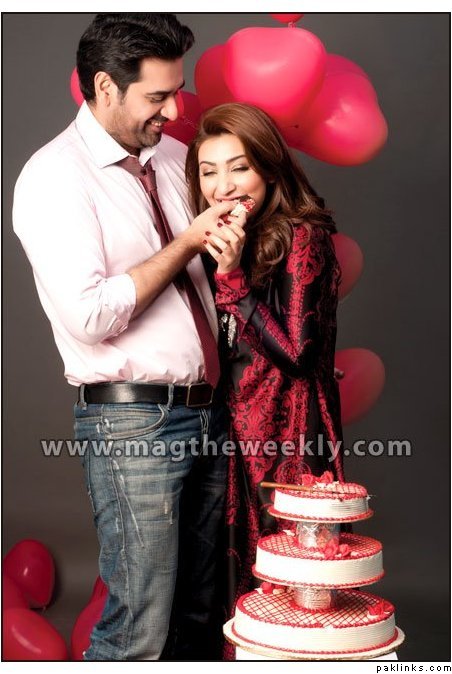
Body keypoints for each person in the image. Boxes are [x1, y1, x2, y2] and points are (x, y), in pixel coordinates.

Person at [13, 14, 237, 661]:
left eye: (178, 92)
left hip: (211, 409)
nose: (175, 110)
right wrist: (187, 242)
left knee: (201, 617)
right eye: (158, 96)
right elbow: (89, 315)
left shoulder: (173, 158)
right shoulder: (54, 176)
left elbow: (210, 281)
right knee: (139, 628)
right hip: (135, 423)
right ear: (106, 87)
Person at [185, 103, 346, 636]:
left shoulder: (302, 235)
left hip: (288, 433)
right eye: (209, 172)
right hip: (230, 432)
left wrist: (232, 280)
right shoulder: (226, 238)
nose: (223, 186)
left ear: (270, 169)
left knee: (286, 581)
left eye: (239, 167)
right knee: (229, 583)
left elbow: (298, 355)